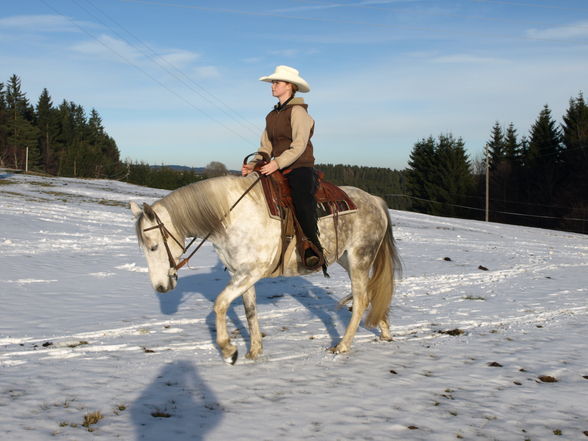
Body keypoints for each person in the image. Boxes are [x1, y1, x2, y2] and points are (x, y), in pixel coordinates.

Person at [242, 65, 322, 268]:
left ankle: (312, 247)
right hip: (276, 166)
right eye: (272, 82)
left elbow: (299, 145)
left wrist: (276, 163)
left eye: (276, 82)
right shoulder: (271, 116)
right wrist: (253, 165)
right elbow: (265, 146)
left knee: (301, 200)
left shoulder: (298, 112)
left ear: (290, 86)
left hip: (300, 166)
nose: (272, 86)